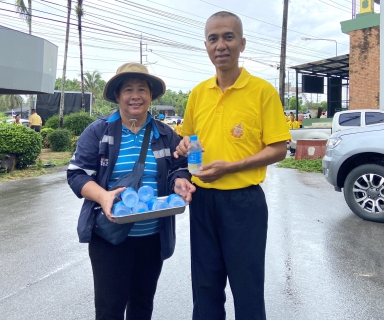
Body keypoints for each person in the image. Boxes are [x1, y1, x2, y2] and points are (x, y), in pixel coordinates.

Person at [174, 11, 291, 320]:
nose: (221, 45)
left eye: (228, 37)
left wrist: (232, 167)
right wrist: (185, 145)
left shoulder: (262, 91)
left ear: (242, 43)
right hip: (203, 202)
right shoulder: (198, 93)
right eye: (213, 38)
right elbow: (187, 138)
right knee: (205, 285)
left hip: (244, 203)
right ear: (206, 45)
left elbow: (279, 148)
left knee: (247, 286)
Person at [67, 62, 195, 320]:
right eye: (128, 89)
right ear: (117, 96)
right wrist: (102, 196)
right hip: (109, 237)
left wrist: (180, 180)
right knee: (109, 309)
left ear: (150, 96)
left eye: (141, 89)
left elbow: (178, 167)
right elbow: (77, 174)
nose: (135, 95)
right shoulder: (99, 131)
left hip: (152, 237)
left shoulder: (164, 134)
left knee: (142, 305)